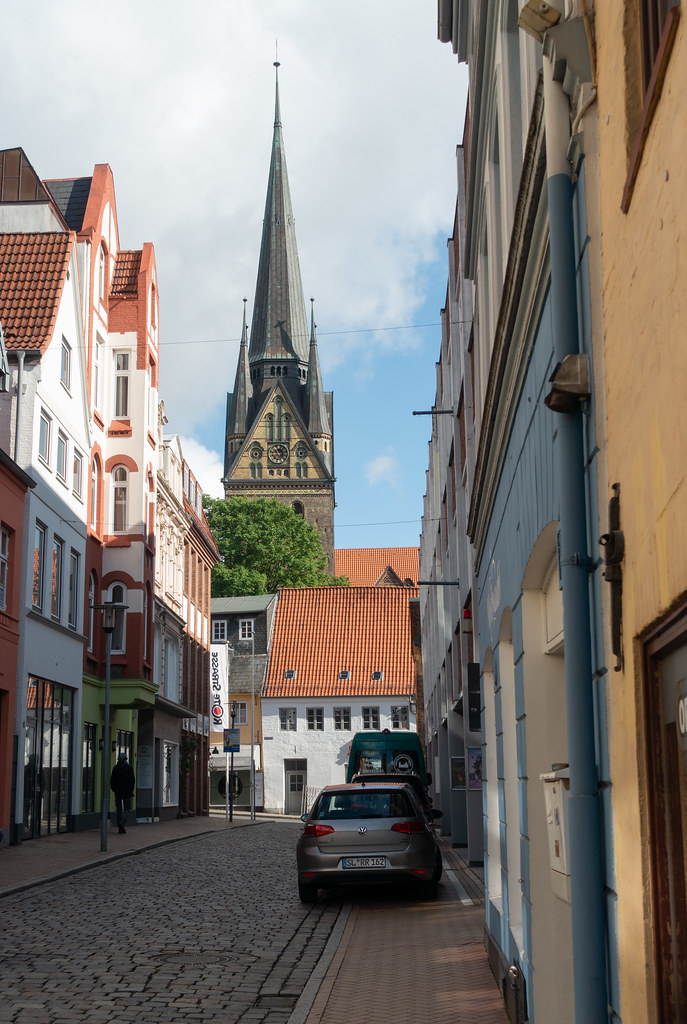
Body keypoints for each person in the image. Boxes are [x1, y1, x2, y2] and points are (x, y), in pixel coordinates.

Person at [110, 752, 135, 833]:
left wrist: (114, 789)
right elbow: (132, 780)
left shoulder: (115, 768)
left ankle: (120, 827)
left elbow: (112, 780)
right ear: (125, 759)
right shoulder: (129, 768)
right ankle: (122, 822)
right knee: (127, 808)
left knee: (119, 809)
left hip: (117, 791)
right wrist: (131, 790)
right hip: (126, 791)